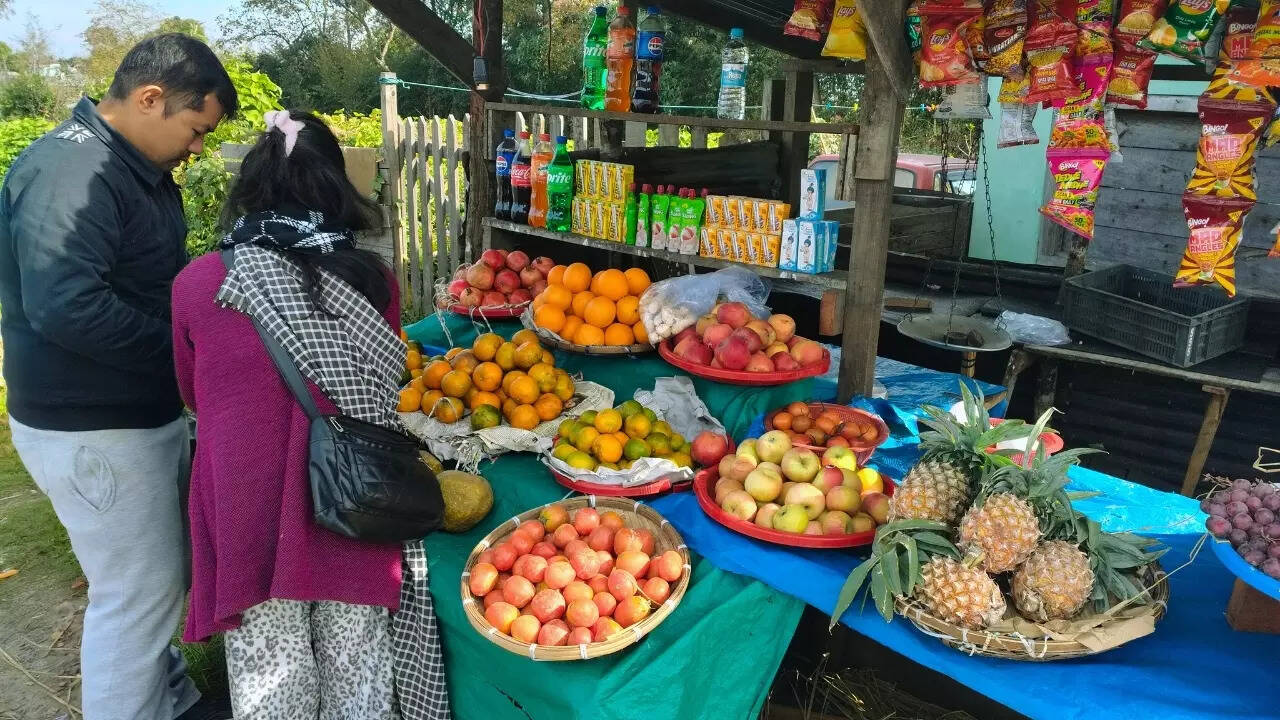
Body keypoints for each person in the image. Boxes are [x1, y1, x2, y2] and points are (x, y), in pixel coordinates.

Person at [171, 110, 450, 719]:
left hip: (246, 496)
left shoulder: (199, 282)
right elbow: (383, 379)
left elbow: (194, 394)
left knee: (270, 673)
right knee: (358, 663)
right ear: (335, 189)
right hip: (352, 494)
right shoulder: (371, 280)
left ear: (249, 185)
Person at [0, 35, 237, 720]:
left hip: (132, 413)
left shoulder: (125, 167)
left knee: (151, 580)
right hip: (92, 426)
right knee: (136, 593)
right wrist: (183, 351)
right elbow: (65, 305)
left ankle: (169, 697)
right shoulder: (72, 174)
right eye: (196, 130)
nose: (197, 148)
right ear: (150, 98)